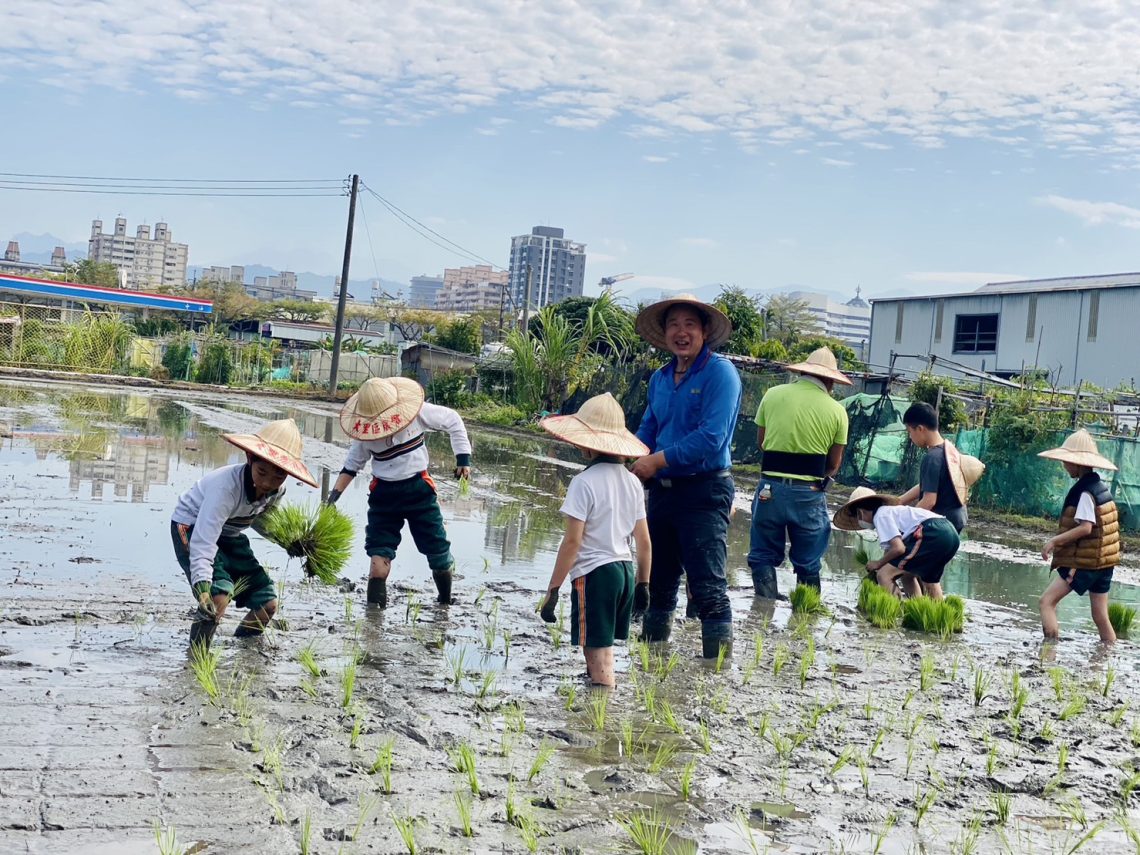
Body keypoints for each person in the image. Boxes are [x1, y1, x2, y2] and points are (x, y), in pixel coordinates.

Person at [631, 293, 742, 658]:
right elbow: (648, 432)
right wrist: (626, 461)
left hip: (704, 491)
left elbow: (711, 439)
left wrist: (655, 461)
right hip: (663, 492)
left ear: (705, 330)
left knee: (707, 586)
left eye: (689, 324)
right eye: (673, 325)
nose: (681, 332)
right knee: (661, 584)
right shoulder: (660, 379)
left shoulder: (720, 373)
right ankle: (652, 666)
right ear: (664, 334)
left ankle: (716, 677)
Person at [536, 393, 653, 687]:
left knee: (596, 650)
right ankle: (597, 692)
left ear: (586, 445)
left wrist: (553, 590)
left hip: (596, 573)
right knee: (602, 645)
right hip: (625, 572)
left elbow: (572, 543)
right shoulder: (632, 482)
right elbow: (644, 541)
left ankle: (603, 706)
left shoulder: (583, 482)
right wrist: (643, 584)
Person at [172, 418, 318, 648]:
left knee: (267, 603)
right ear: (250, 459)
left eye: (278, 476)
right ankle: (197, 657)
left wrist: (288, 542)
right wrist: (202, 588)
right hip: (191, 527)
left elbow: (261, 522)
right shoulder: (226, 488)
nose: (268, 483)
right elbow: (204, 539)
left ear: (288, 475)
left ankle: (244, 650)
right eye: (262, 472)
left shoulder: (276, 491)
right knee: (217, 595)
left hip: (230, 533)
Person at [327, 377, 471, 608]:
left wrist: (463, 459)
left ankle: (445, 602)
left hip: (419, 492)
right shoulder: (365, 432)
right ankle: (373, 617)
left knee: (439, 555)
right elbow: (352, 465)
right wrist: (333, 497)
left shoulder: (416, 412)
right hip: (384, 497)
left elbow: (452, 420)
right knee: (378, 559)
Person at [747, 347, 850, 599]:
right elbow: (834, 464)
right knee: (809, 558)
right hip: (809, 493)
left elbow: (762, 442)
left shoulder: (772, 395)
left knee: (762, 553)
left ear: (803, 371)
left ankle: (764, 609)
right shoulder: (837, 410)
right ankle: (806, 611)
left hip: (769, 489)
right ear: (830, 380)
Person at [1037, 429, 1121, 644]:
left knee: (1046, 602)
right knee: (1100, 616)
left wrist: (1054, 541)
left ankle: (1048, 654)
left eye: (1067, 461)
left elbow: (1086, 528)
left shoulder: (1084, 492)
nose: (1064, 465)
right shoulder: (1101, 487)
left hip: (1085, 562)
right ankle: (1108, 659)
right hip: (1104, 563)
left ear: (1078, 464)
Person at [833, 486, 961, 599]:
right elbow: (892, 552)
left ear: (860, 512)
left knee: (884, 575)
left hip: (932, 533)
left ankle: (895, 611)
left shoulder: (880, 516)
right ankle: (929, 612)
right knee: (921, 577)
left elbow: (898, 549)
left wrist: (878, 564)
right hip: (950, 533)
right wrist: (883, 563)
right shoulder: (891, 512)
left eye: (857, 517)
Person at [897, 402, 985, 534]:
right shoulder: (948, 450)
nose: (910, 437)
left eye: (910, 432)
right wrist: (900, 501)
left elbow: (929, 501)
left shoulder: (932, 458)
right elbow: (928, 484)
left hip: (940, 525)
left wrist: (906, 526)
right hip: (957, 519)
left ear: (920, 429)